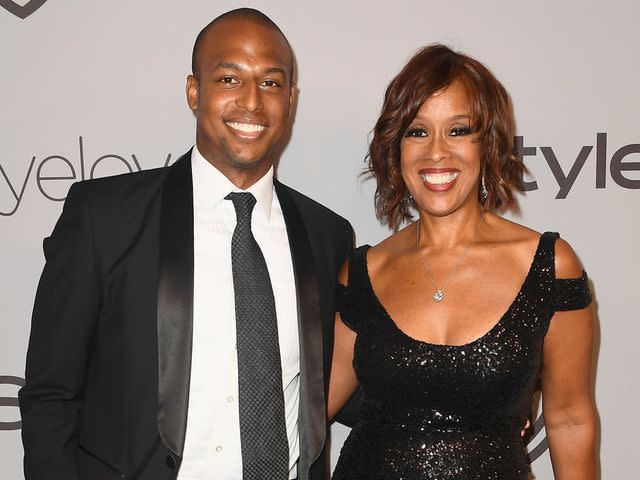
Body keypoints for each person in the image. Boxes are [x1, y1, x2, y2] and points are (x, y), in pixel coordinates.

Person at [19, 8, 353, 480]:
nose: (252, 102)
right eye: (229, 79)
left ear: (292, 100)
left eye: (272, 83)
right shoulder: (104, 218)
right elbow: (50, 397)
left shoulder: (327, 235)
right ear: (194, 91)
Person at [328, 44, 596, 479]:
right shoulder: (364, 273)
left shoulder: (549, 267)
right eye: (417, 131)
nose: (437, 152)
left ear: (486, 143)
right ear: (396, 147)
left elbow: (570, 421)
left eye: (458, 131)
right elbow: (308, 409)